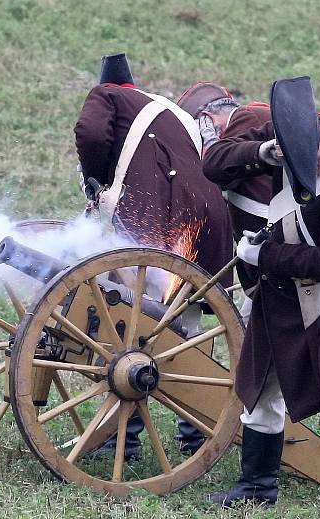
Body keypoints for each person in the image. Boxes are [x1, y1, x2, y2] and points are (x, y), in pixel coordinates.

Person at [207, 93, 320, 519]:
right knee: (259, 395)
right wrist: (262, 153)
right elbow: (213, 165)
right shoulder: (283, 141)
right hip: (281, 297)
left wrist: (264, 256)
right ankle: (258, 486)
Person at [74, 53, 234, 458]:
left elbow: (90, 133)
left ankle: (119, 438)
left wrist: (94, 178)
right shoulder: (164, 112)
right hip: (206, 220)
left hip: (162, 213)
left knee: (130, 331)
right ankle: (197, 431)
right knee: (183, 322)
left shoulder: (108, 96)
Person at [178, 83, 272, 320]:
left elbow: (216, 167)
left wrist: (209, 140)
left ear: (207, 120)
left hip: (285, 253)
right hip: (268, 261)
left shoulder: (245, 117)